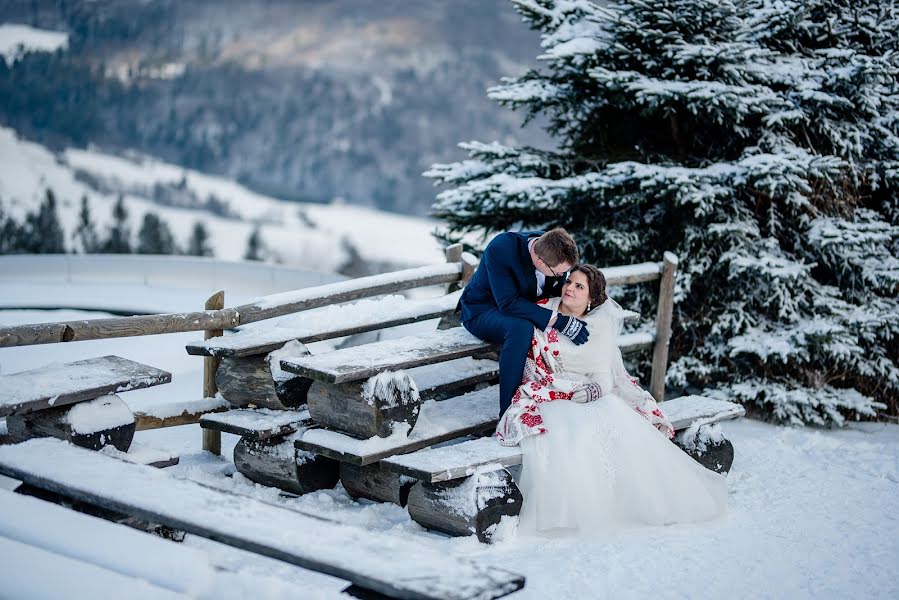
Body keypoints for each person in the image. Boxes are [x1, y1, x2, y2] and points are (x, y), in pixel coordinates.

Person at [496, 264, 728, 535]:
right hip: (548, 393)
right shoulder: (543, 311)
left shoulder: (598, 326)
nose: (569, 288)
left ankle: (628, 501)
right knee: (568, 433)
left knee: (617, 425)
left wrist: (594, 391)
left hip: (585, 393)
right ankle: (568, 511)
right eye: (569, 282)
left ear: (591, 299)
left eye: (579, 286)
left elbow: (605, 376)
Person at [460, 228, 586, 416]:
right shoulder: (502, 248)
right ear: (539, 261)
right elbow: (508, 303)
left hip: (523, 308)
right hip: (482, 309)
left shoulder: (552, 246)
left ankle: (554, 396)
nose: (562, 278)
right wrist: (557, 320)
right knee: (522, 328)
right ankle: (509, 412)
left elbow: (556, 290)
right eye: (559, 274)